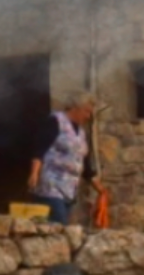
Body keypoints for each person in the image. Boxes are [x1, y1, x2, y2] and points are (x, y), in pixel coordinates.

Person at [27, 91, 105, 225]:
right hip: (51, 185)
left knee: (61, 226)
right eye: (86, 111)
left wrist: (100, 189)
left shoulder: (81, 133)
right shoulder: (55, 122)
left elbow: (84, 163)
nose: (88, 116)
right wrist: (34, 173)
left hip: (69, 189)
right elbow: (40, 148)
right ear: (76, 108)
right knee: (59, 223)